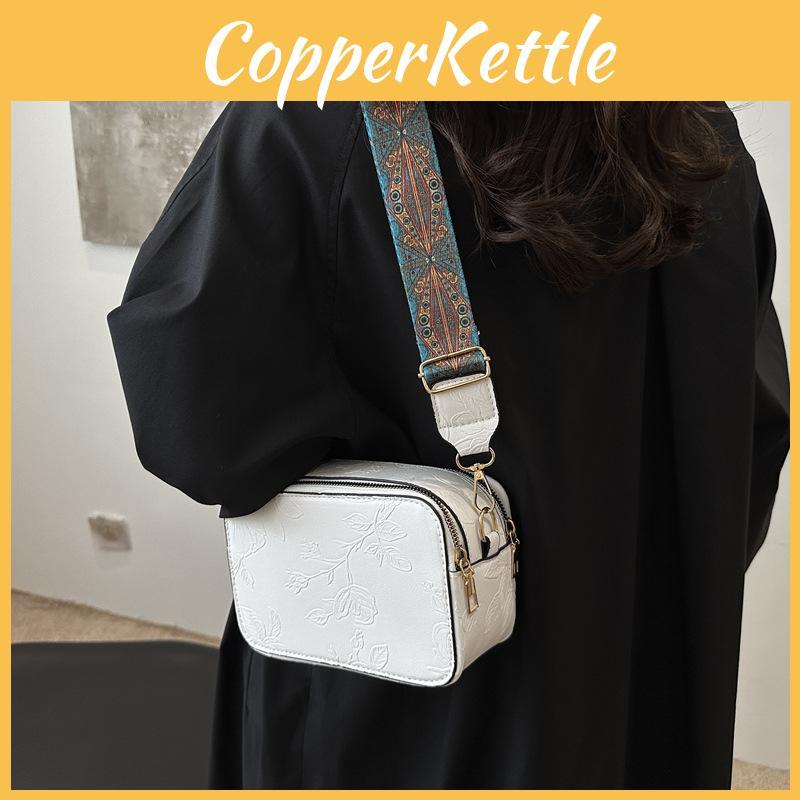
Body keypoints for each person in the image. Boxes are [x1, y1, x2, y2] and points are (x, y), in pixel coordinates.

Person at [108, 101, 789, 789]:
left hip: (397, 707)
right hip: (647, 682)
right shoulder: (695, 129)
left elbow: (194, 433)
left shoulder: (310, 118)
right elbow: (748, 435)